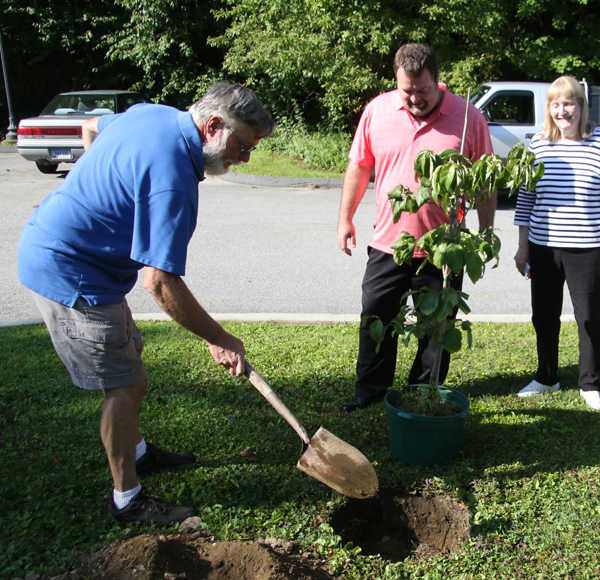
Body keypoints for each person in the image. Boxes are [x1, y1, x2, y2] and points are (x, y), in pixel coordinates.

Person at [18, 82, 275, 524]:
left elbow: (91, 128)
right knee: (125, 385)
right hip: (71, 273)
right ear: (213, 126)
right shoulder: (173, 179)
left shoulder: (150, 114)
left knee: (130, 351)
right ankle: (127, 498)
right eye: (243, 145)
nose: (245, 158)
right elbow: (159, 283)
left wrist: (95, 191)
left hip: (82, 261)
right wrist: (219, 337)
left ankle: (138, 451)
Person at [337, 43, 495, 412]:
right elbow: (359, 165)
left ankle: (422, 391)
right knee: (376, 314)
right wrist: (345, 218)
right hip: (388, 242)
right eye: (406, 90)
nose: (413, 98)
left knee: (437, 327)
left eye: (422, 91)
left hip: (444, 248)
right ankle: (371, 389)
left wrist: (486, 231)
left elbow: (485, 180)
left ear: (437, 81)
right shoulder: (378, 110)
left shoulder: (468, 116)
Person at [512, 76, 600, 411]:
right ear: (549, 108)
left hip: (588, 248)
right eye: (556, 104)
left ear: (581, 106)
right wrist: (523, 246)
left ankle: (589, 383)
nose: (563, 111)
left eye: (570, 103)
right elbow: (525, 198)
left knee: (589, 317)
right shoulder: (538, 144)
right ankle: (547, 376)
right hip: (544, 246)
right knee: (544, 315)